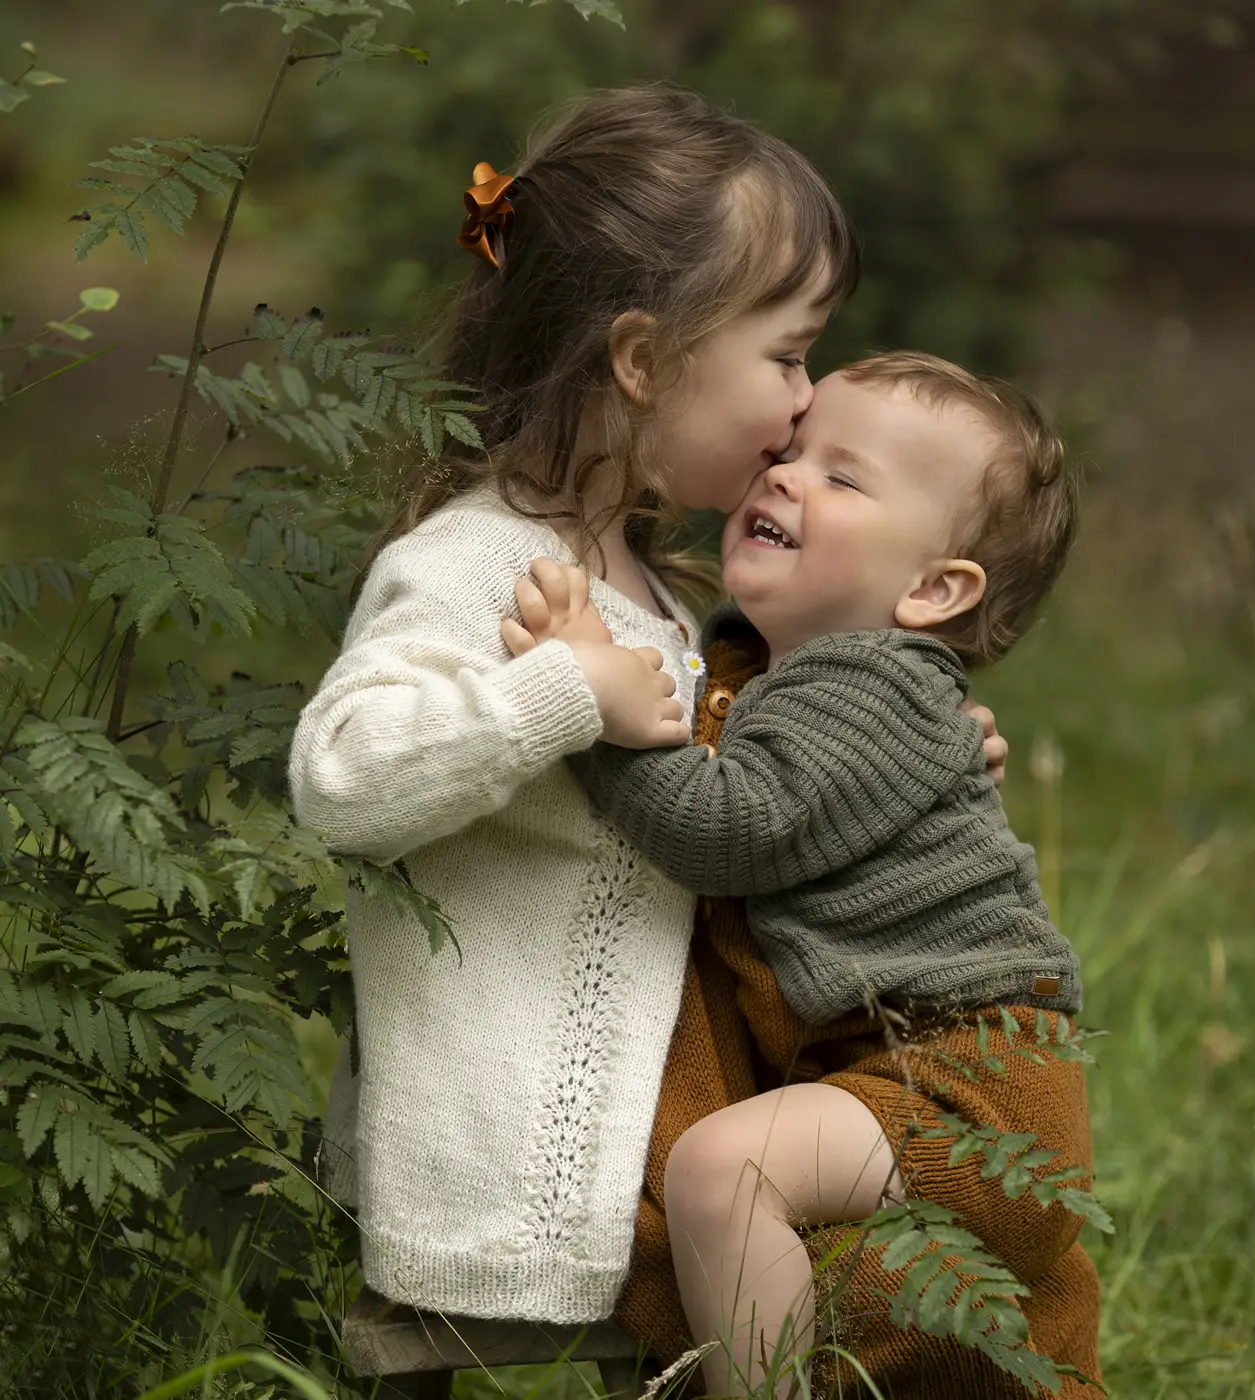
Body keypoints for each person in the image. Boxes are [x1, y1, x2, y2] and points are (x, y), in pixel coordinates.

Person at [286, 83, 1007, 1328]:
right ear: (638, 359)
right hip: (506, 1177)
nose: (803, 397)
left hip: (638, 1158)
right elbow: (342, 777)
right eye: (784, 353)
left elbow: (736, 810)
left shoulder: (653, 592)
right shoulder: (476, 565)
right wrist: (557, 688)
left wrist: (906, 769)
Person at [502, 352, 1101, 1397]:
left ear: (931, 589)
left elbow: (726, 827)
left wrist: (588, 704)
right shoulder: (773, 672)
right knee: (726, 1179)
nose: (782, 476)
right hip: (889, 1065)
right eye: (787, 452)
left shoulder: (878, 685)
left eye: (843, 476)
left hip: (971, 1082)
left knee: (721, 1168)